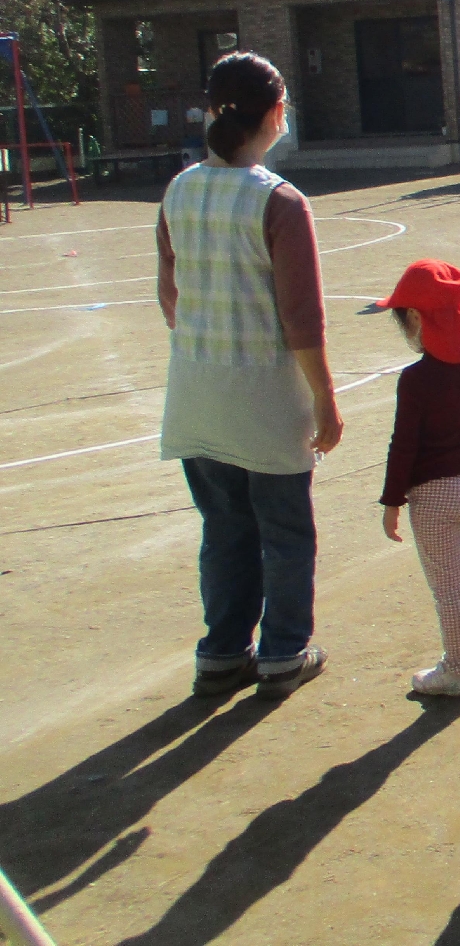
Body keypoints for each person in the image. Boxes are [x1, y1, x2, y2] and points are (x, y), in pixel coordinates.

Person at [158, 51, 342, 700]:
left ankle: (222, 649)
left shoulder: (179, 189)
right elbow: (302, 320)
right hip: (264, 400)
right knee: (286, 532)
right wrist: (325, 399)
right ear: (272, 114)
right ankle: (284, 651)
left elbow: (171, 297)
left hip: (195, 395)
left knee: (225, 528)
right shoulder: (279, 202)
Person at [377, 259, 460, 698]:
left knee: (449, 587)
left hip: (433, 494)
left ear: (415, 318)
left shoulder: (416, 380)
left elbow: (404, 445)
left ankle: (459, 667)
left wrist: (392, 500)